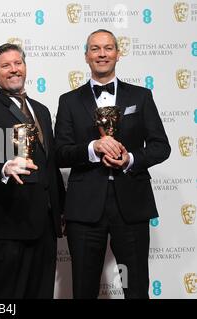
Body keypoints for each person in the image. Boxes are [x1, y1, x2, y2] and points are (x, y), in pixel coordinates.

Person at [54, 29, 171, 298]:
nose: (102, 54)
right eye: (95, 48)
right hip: (84, 209)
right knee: (83, 287)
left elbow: (160, 146)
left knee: (135, 286)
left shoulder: (141, 97)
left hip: (131, 205)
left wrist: (130, 159)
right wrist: (93, 148)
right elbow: (60, 153)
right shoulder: (69, 101)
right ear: (86, 56)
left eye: (108, 48)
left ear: (118, 53)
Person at [0, 43, 64, 298]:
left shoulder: (42, 110)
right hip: (7, 225)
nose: (14, 70)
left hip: (44, 225)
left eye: (18, 63)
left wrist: (60, 211)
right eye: (6, 65)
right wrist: (4, 167)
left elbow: (50, 164)